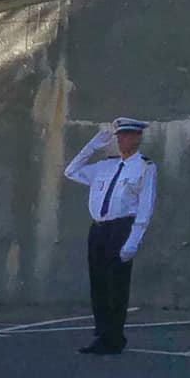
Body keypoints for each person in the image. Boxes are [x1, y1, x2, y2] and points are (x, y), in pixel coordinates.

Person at [63, 116, 156, 355]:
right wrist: (92, 146)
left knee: (116, 285)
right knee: (99, 283)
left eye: (127, 136)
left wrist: (134, 240)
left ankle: (114, 337)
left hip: (121, 228)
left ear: (137, 138)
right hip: (99, 228)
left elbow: (145, 206)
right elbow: (71, 171)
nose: (122, 140)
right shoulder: (106, 166)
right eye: (119, 136)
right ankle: (101, 334)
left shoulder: (144, 167)